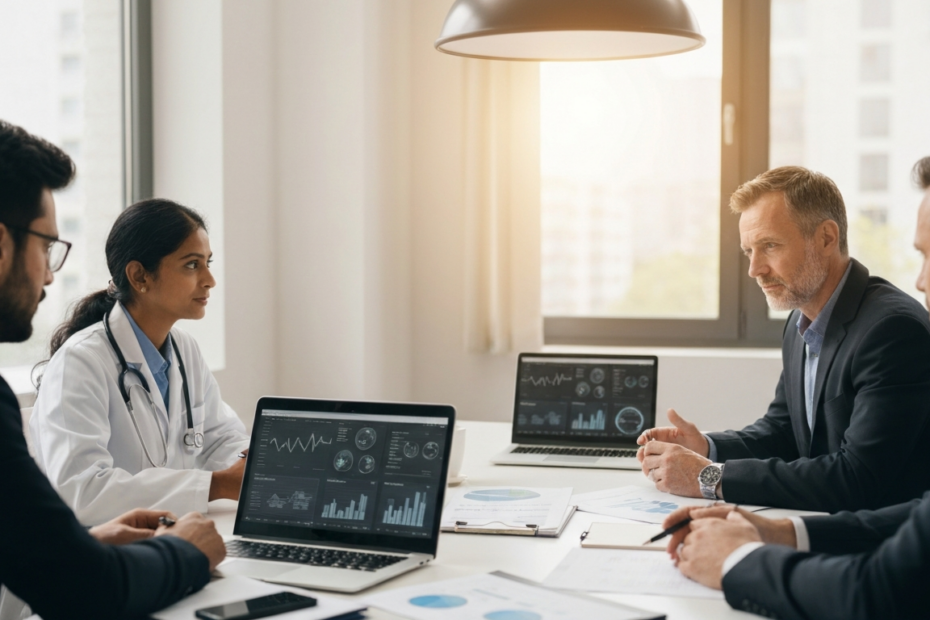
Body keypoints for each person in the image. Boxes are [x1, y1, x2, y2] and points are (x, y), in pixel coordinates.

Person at [658, 157, 930, 620]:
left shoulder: (893, 330)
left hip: (871, 556)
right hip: (845, 538)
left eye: (769, 246)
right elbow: (785, 428)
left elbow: (858, 478)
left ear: (826, 238)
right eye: (749, 251)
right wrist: (708, 446)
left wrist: (711, 479)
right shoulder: (802, 318)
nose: (755, 270)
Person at [0, 119, 225, 620]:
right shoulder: (82, 361)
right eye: (45, 246)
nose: (50, 274)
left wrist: (91, 543)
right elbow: (82, 582)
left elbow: (34, 550)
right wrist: (187, 548)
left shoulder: (185, 351)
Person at [30, 197, 250, 525]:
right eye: (192, 264)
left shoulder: (185, 351)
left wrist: (259, 465)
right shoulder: (80, 363)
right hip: (107, 553)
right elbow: (81, 491)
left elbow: (221, 438)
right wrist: (216, 484)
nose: (209, 279)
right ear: (139, 276)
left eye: (208, 262)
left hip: (173, 536)